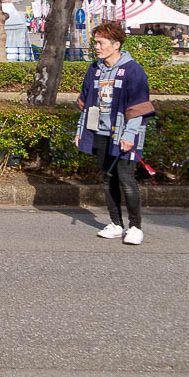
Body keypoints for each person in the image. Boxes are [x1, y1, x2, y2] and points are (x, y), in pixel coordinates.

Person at [74, 21, 154, 246]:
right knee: (108, 179)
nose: (96, 47)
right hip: (100, 132)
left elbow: (137, 108)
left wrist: (129, 135)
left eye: (101, 43)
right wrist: (80, 131)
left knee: (126, 180)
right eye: (95, 42)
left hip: (123, 134)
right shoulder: (94, 69)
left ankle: (135, 227)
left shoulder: (133, 70)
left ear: (116, 44)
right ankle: (116, 224)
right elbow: (86, 103)